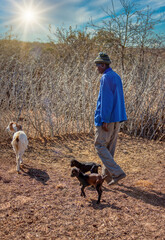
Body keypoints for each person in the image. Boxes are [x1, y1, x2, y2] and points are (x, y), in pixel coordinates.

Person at [94, 52, 127, 185]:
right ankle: (106, 177)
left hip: (108, 119)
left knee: (99, 145)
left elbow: (106, 101)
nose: (97, 68)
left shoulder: (106, 77)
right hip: (117, 117)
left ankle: (117, 172)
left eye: (98, 65)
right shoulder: (116, 76)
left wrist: (105, 120)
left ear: (103, 65)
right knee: (109, 148)